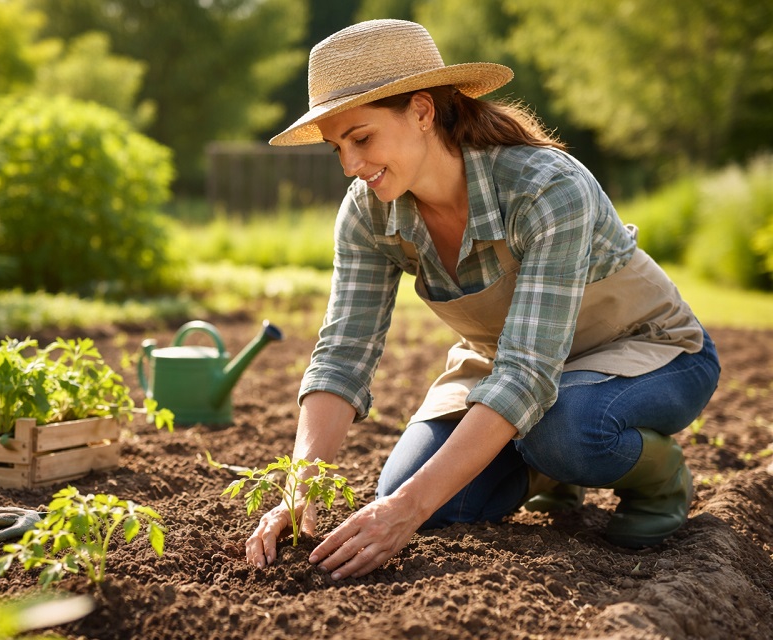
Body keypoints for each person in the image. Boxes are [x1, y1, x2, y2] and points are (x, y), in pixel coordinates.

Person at [244, 19, 721, 581]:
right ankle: (549, 469)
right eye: (337, 148)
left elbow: (528, 373)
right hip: (510, 364)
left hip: (648, 353)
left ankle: (660, 478)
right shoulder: (368, 212)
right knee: (416, 495)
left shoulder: (544, 186)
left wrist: (403, 512)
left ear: (422, 111)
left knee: (563, 430)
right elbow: (343, 354)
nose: (349, 165)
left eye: (362, 138)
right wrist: (301, 489)